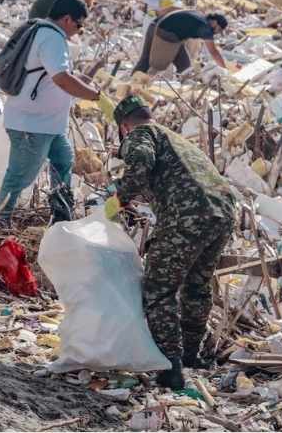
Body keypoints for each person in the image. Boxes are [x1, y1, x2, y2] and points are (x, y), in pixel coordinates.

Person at [105, 94, 237, 391]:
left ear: (124, 126)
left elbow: (140, 162)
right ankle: (192, 354)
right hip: (223, 213)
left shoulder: (140, 134)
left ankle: (170, 365)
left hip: (187, 215)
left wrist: (119, 199)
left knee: (158, 289)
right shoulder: (175, 138)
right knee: (196, 285)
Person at [0, 0, 98, 223]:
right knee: (19, 176)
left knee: (63, 161)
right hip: (32, 125)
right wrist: (94, 96)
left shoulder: (43, 32)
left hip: (48, 124)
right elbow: (61, 78)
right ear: (67, 19)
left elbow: (55, 77)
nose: (78, 31)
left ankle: (61, 216)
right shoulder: (52, 37)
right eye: (79, 25)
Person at [133, 8, 228, 76]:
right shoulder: (205, 27)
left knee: (185, 65)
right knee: (156, 66)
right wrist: (225, 71)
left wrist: (158, 12)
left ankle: (129, 81)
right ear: (215, 22)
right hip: (165, 35)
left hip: (154, 26)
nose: (217, 33)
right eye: (219, 30)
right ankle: (138, 86)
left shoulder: (198, 14)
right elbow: (214, 52)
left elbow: (174, 9)